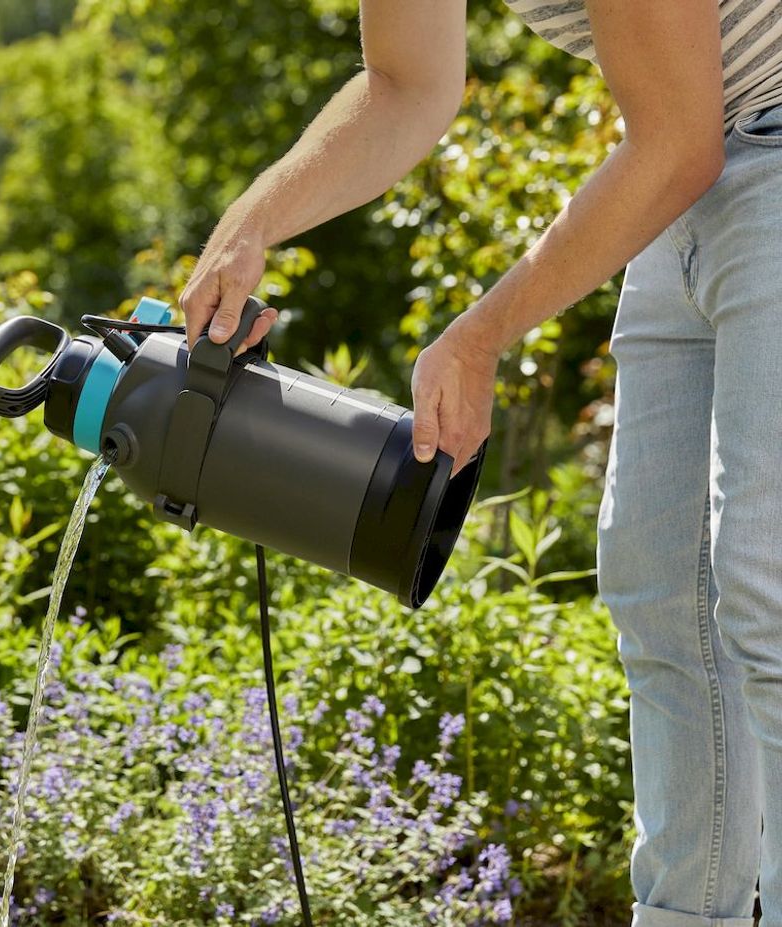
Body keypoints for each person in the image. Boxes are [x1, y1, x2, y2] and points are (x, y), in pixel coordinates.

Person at [179, 1, 782, 925]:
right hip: (689, 184)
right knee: (663, 598)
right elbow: (406, 87)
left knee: (767, 590)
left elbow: (675, 138)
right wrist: (252, 223)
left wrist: (482, 335)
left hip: (732, 150)